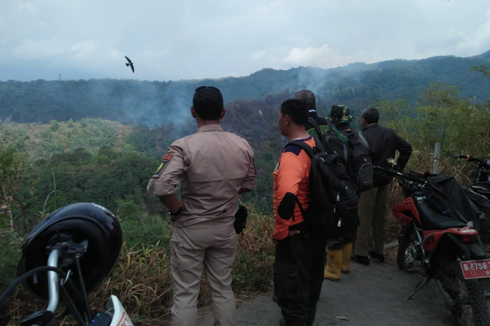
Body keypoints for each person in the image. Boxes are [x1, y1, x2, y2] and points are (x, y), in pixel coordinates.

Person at [147, 86, 256, 325]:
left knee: (186, 294)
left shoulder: (183, 147)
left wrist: (176, 210)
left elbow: (162, 186)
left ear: (192, 112)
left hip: (191, 230)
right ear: (223, 112)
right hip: (225, 228)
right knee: (223, 289)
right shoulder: (242, 145)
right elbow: (248, 184)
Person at [273, 98, 325, 326]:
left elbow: (286, 195)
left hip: (296, 234)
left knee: (292, 295)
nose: (278, 121)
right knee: (309, 291)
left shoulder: (292, 155)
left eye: (278, 117)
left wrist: (282, 231)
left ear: (286, 118)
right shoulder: (314, 142)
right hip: (316, 228)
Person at [293, 90, 352, 282]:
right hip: (335, 179)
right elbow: (346, 146)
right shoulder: (327, 124)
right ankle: (338, 266)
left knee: (312, 226)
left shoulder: (301, 128)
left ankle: (317, 273)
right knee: (335, 219)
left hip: (314, 183)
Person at [354, 107, 412, 265]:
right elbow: (407, 148)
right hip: (385, 181)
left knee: (364, 217)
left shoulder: (363, 136)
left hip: (369, 182)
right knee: (380, 217)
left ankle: (361, 253)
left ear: (363, 120)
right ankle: (379, 252)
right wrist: (395, 167)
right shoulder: (390, 133)